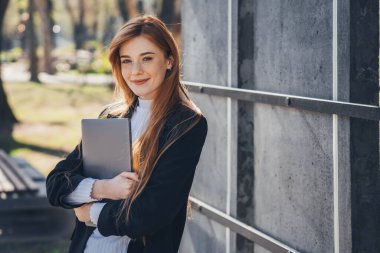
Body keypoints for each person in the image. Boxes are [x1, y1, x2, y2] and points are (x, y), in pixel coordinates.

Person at [46, 15, 208, 253]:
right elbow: (56, 184)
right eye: (127, 61)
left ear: (169, 61)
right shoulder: (111, 117)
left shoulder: (186, 124)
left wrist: (90, 211)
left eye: (147, 58)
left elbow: (151, 213)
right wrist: (104, 188)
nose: (136, 71)